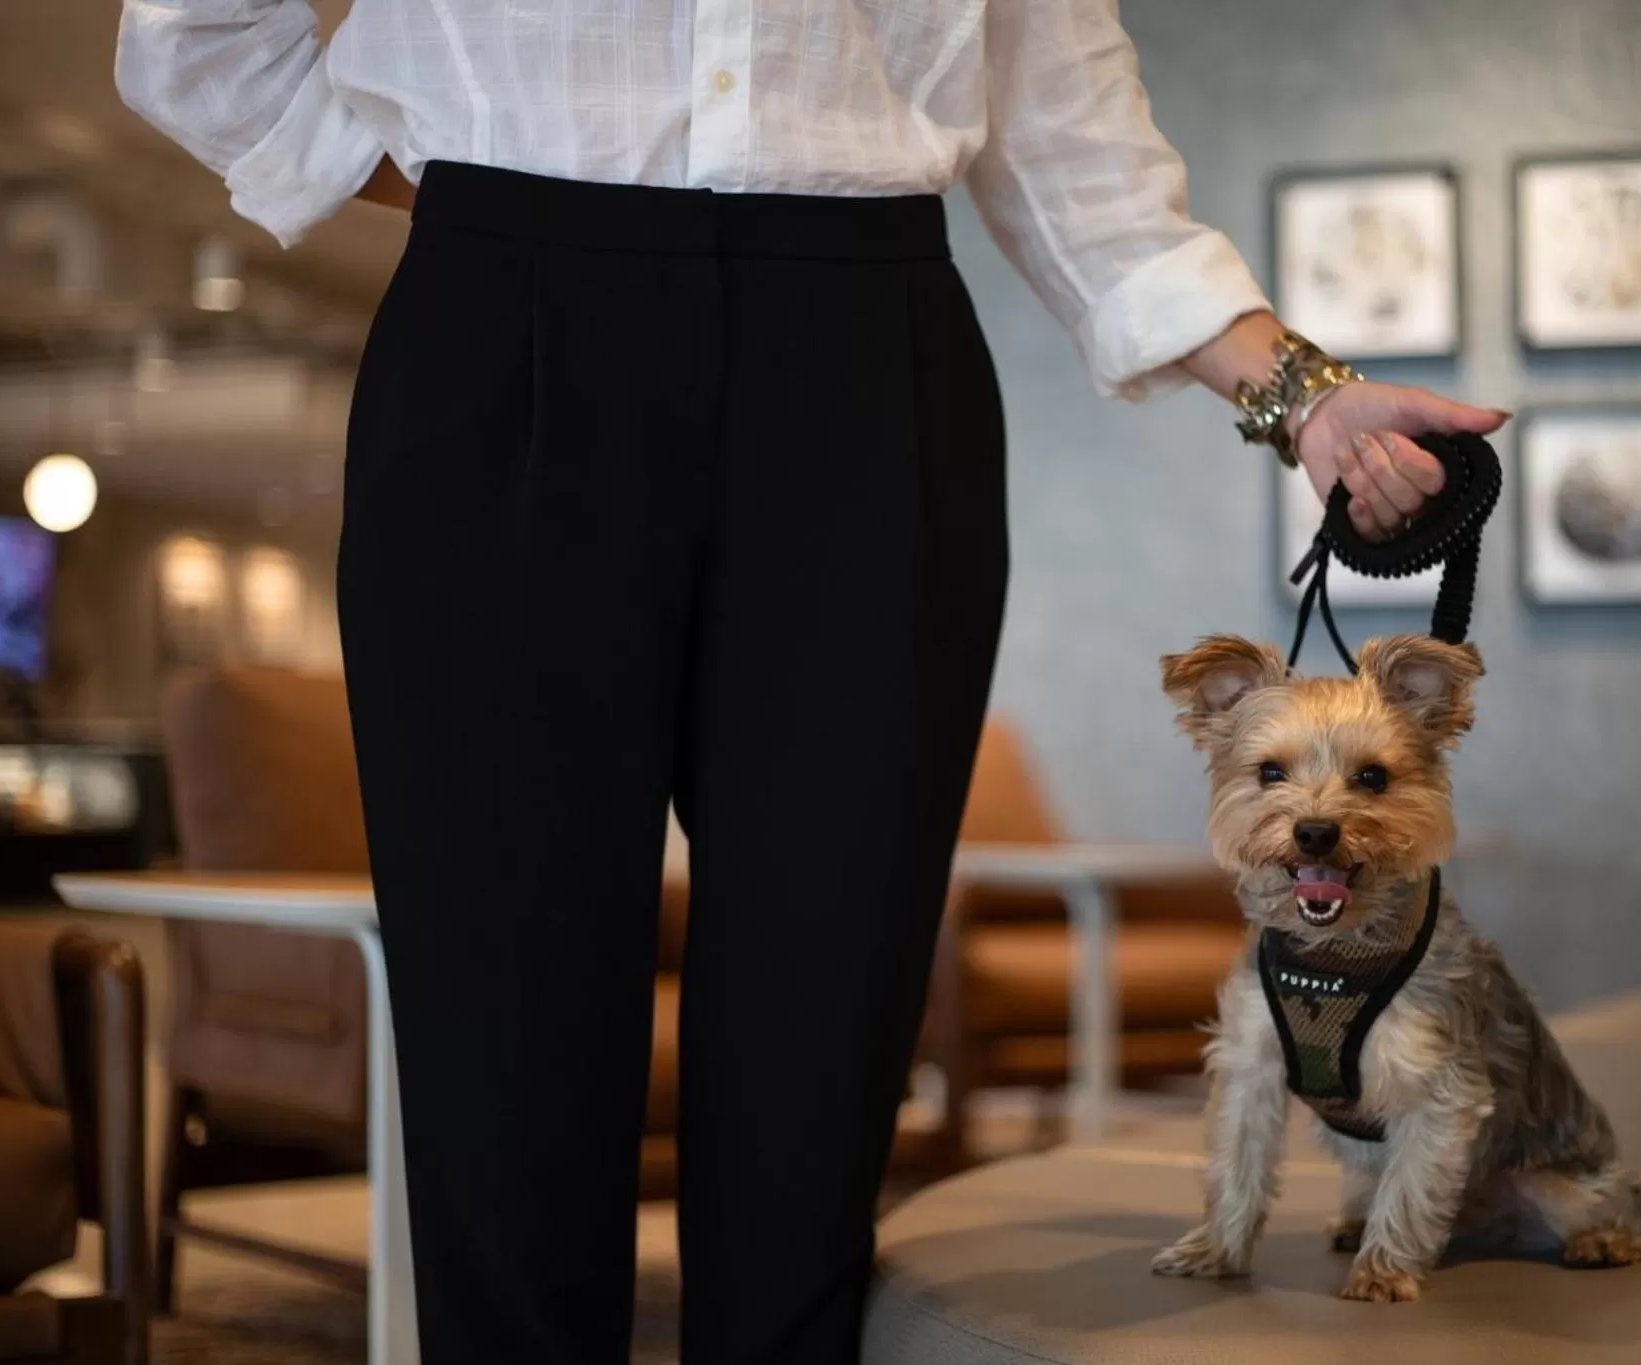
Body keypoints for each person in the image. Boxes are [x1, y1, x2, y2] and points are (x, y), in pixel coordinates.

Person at [116, 2, 1507, 1361]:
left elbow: (1078, 146)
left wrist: (1308, 398)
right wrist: (472, 183)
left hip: (869, 353)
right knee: (501, 997)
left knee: (829, 996)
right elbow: (194, 36)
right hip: (504, 326)